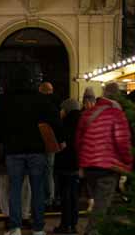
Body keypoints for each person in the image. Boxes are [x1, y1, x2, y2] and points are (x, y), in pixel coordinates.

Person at [0, 66, 60, 235]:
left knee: (14, 189)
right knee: (36, 188)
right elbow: (54, 122)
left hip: (14, 150)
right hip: (36, 150)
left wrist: (6, 139)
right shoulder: (41, 100)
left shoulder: (4, 100)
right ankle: (38, 227)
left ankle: (15, 227)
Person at [75, 82, 132, 235]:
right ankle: (92, 232)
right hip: (108, 166)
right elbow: (122, 141)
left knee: (102, 202)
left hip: (89, 166)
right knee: (102, 205)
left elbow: (79, 141)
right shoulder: (117, 114)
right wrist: (127, 161)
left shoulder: (88, 113)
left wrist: (82, 162)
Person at [53, 98, 82, 235]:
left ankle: (65, 224)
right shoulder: (82, 122)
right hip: (77, 164)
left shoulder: (64, 124)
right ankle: (74, 224)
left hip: (65, 164)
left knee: (65, 195)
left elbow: (61, 144)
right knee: (74, 195)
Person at [38, 82, 58, 206]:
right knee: (49, 170)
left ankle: (43, 197)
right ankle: (50, 197)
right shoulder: (57, 103)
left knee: (39, 170)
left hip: (40, 141)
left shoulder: (38, 103)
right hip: (52, 142)